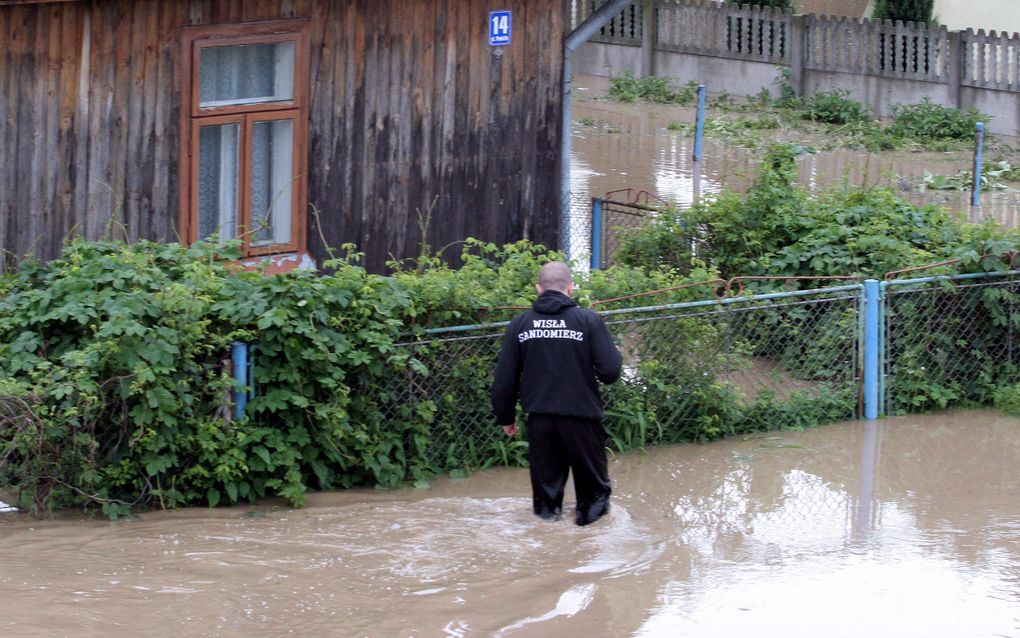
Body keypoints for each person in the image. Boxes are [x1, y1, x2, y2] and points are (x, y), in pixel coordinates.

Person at [490, 261, 623, 526]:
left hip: (541, 422)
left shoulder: (521, 324)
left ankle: (545, 546)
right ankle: (590, 549)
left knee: (545, 498)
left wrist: (506, 417)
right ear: (570, 288)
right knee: (593, 494)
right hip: (582, 420)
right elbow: (610, 371)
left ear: (539, 288)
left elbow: (504, 378)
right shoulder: (588, 320)